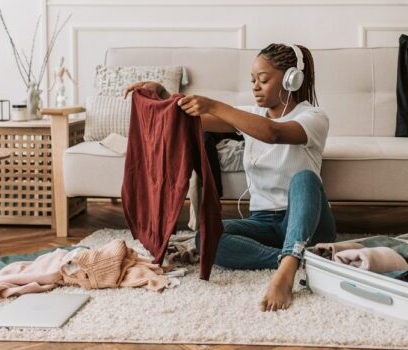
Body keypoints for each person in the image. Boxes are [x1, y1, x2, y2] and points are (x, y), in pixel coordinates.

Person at [123, 43, 335, 312]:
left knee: (304, 178)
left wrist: (213, 104)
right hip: (265, 223)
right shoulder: (250, 116)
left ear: (292, 78)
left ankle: (290, 265)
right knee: (207, 239)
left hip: (309, 224)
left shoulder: (313, 117)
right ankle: (297, 259)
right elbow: (189, 120)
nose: (256, 86)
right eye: (252, 80)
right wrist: (163, 94)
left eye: (264, 79)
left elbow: (274, 133)